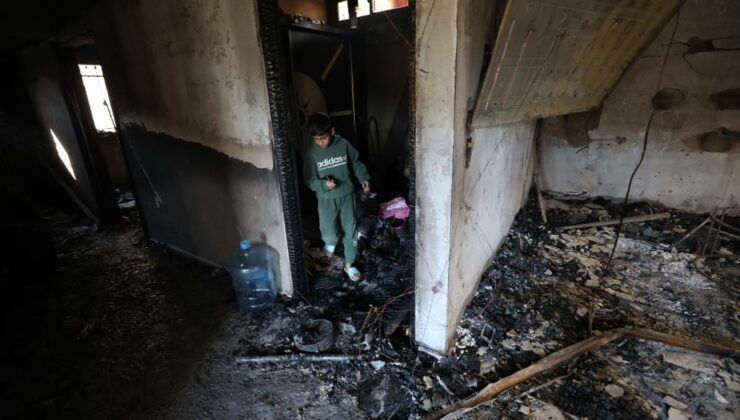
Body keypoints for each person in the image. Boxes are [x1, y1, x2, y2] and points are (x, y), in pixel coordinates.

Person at [303, 113, 370, 281]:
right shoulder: (311, 153)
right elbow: (309, 180)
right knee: (329, 234)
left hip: (347, 195)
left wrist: (363, 177)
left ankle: (349, 264)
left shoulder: (343, 144)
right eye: (316, 140)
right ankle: (330, 245)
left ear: (332, 131)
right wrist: (323, 185)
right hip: (326, 199)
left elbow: (356, 162)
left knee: (351, 229)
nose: (320, 143)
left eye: (323, 138)